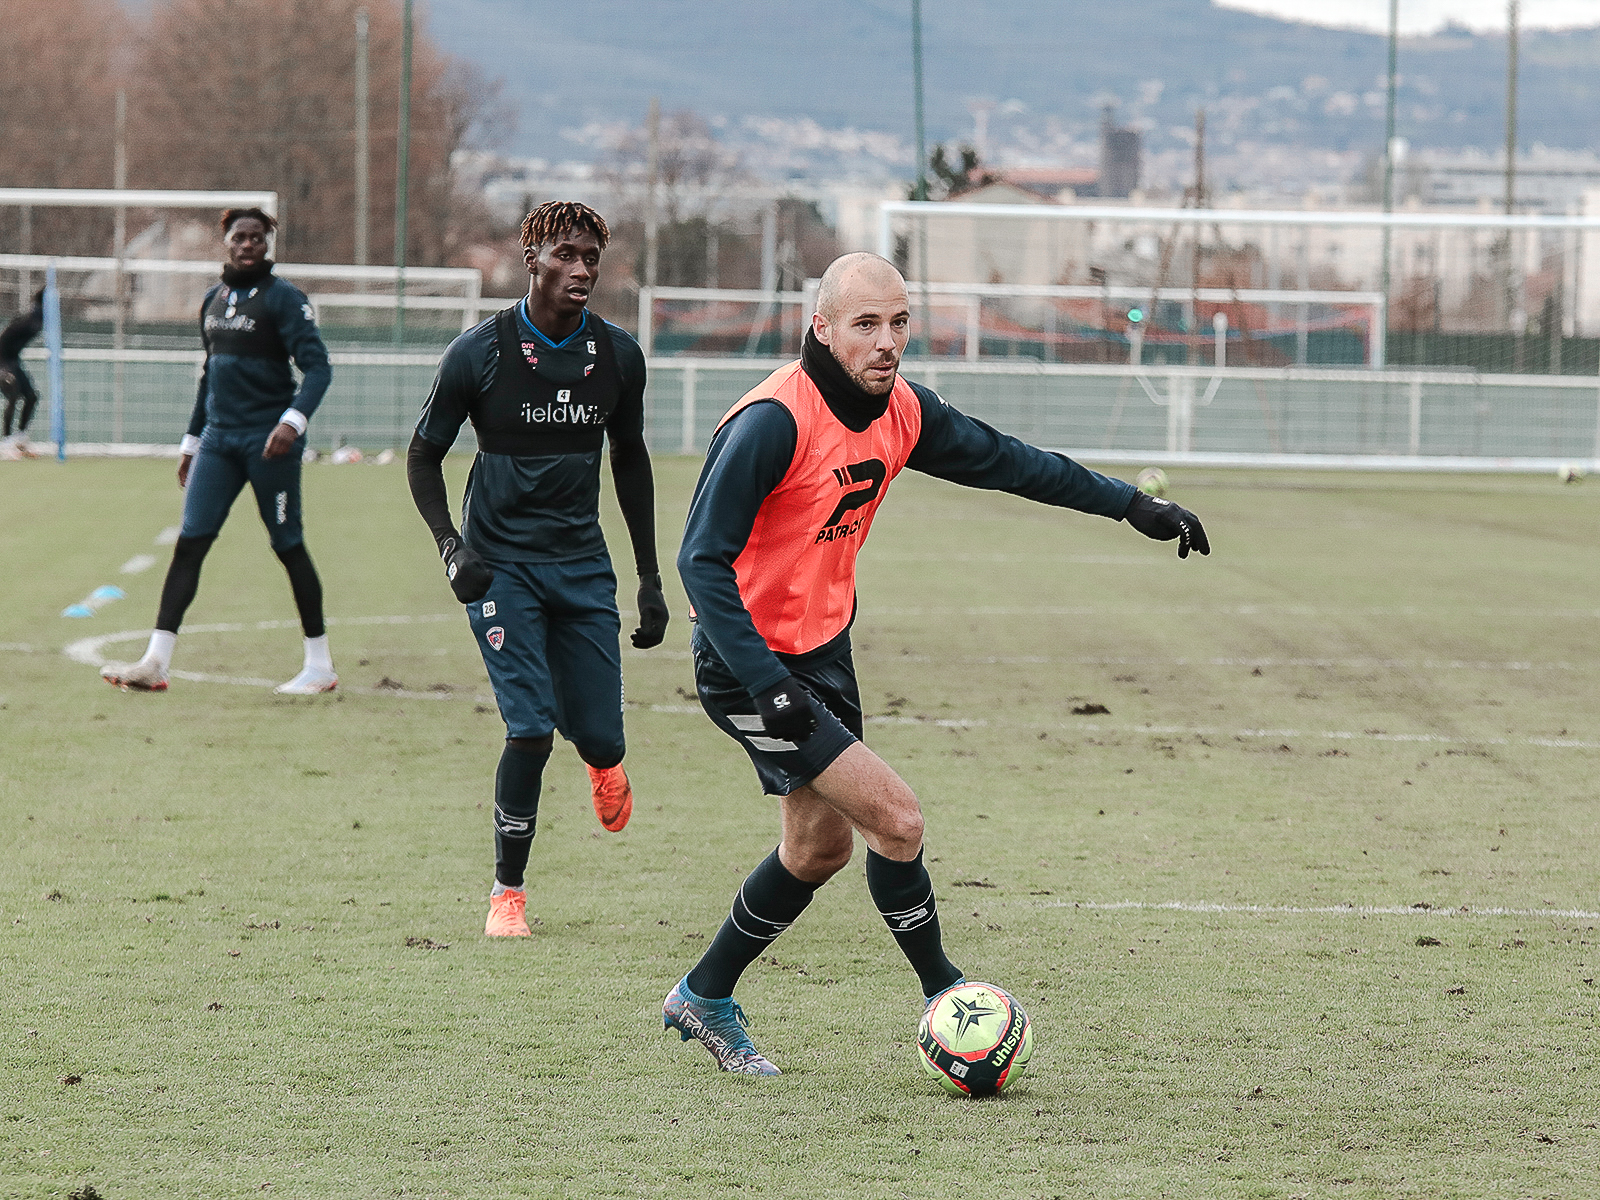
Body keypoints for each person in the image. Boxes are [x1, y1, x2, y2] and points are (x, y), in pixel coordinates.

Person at [663, 252, 1210, 1075]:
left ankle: (702, 996)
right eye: (866, 324)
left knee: (817, 850)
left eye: (899, 322)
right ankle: (948, 996)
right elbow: (700, 561)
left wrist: (1131, 504)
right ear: (822, 328)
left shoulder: (901, 410)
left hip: (822, 650)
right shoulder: (772, 422)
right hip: (748, 663)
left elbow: (1011, 461)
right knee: (897, 819)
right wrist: (768, 686)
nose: (887, 342)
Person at [406, 200, 669, 938]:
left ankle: (604, 761)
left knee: (602, 737)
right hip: (499, 568)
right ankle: (508, 894)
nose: (581, 269)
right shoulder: (478, 353)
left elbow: (631, 460)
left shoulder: (618, 357)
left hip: (582, 567)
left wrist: (649, 578)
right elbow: (423, 455)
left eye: (591, 258)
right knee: (528, 729)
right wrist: (451, 547)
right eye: (565, 255)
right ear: (532, 260)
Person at [101, 208, 336, 695]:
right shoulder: (213, 300)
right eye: (239, 237)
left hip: (268, 443)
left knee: (287, 544)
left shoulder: (284, 299)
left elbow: (318, 368)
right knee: (190, 543)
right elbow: (210, 375)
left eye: (256, 237)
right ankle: (155, 662)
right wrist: (191, 442)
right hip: (218, 441)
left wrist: (292, 422)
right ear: (225, 242)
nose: (247, 244)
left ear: (267, 244)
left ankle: (320, 666)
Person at [0, 288, 44, 458]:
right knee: (13, 395)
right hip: (2, 360)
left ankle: (20, 438)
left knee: (31, 396)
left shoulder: (39, 319)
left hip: (13, 360)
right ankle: (6, 442)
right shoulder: (31, 319)